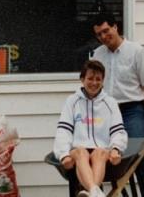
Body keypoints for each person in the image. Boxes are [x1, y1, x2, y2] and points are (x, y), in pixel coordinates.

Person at [90, 14, 144, 197]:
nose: (104, 36)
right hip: (106, 111)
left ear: (115, 27)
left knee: (136, 155)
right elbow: (93, 88)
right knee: (103, 154)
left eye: (106, 31)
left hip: (132, 110)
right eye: (99, 34)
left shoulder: (136, 51)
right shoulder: (98, 55)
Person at [53, 60, 128, 197]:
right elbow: (64, 131)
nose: (94, 83)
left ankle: (92, 192)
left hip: (101, 150)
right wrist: (63, 154)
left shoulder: (110, 103)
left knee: (99, 152)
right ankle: (96, 192)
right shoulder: (72, 101)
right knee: (81, 152)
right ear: (82, 79)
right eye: (90, 78)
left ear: (103, 81)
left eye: (98, 79)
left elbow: (118, 131)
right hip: (78, 151)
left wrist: (116, 149)